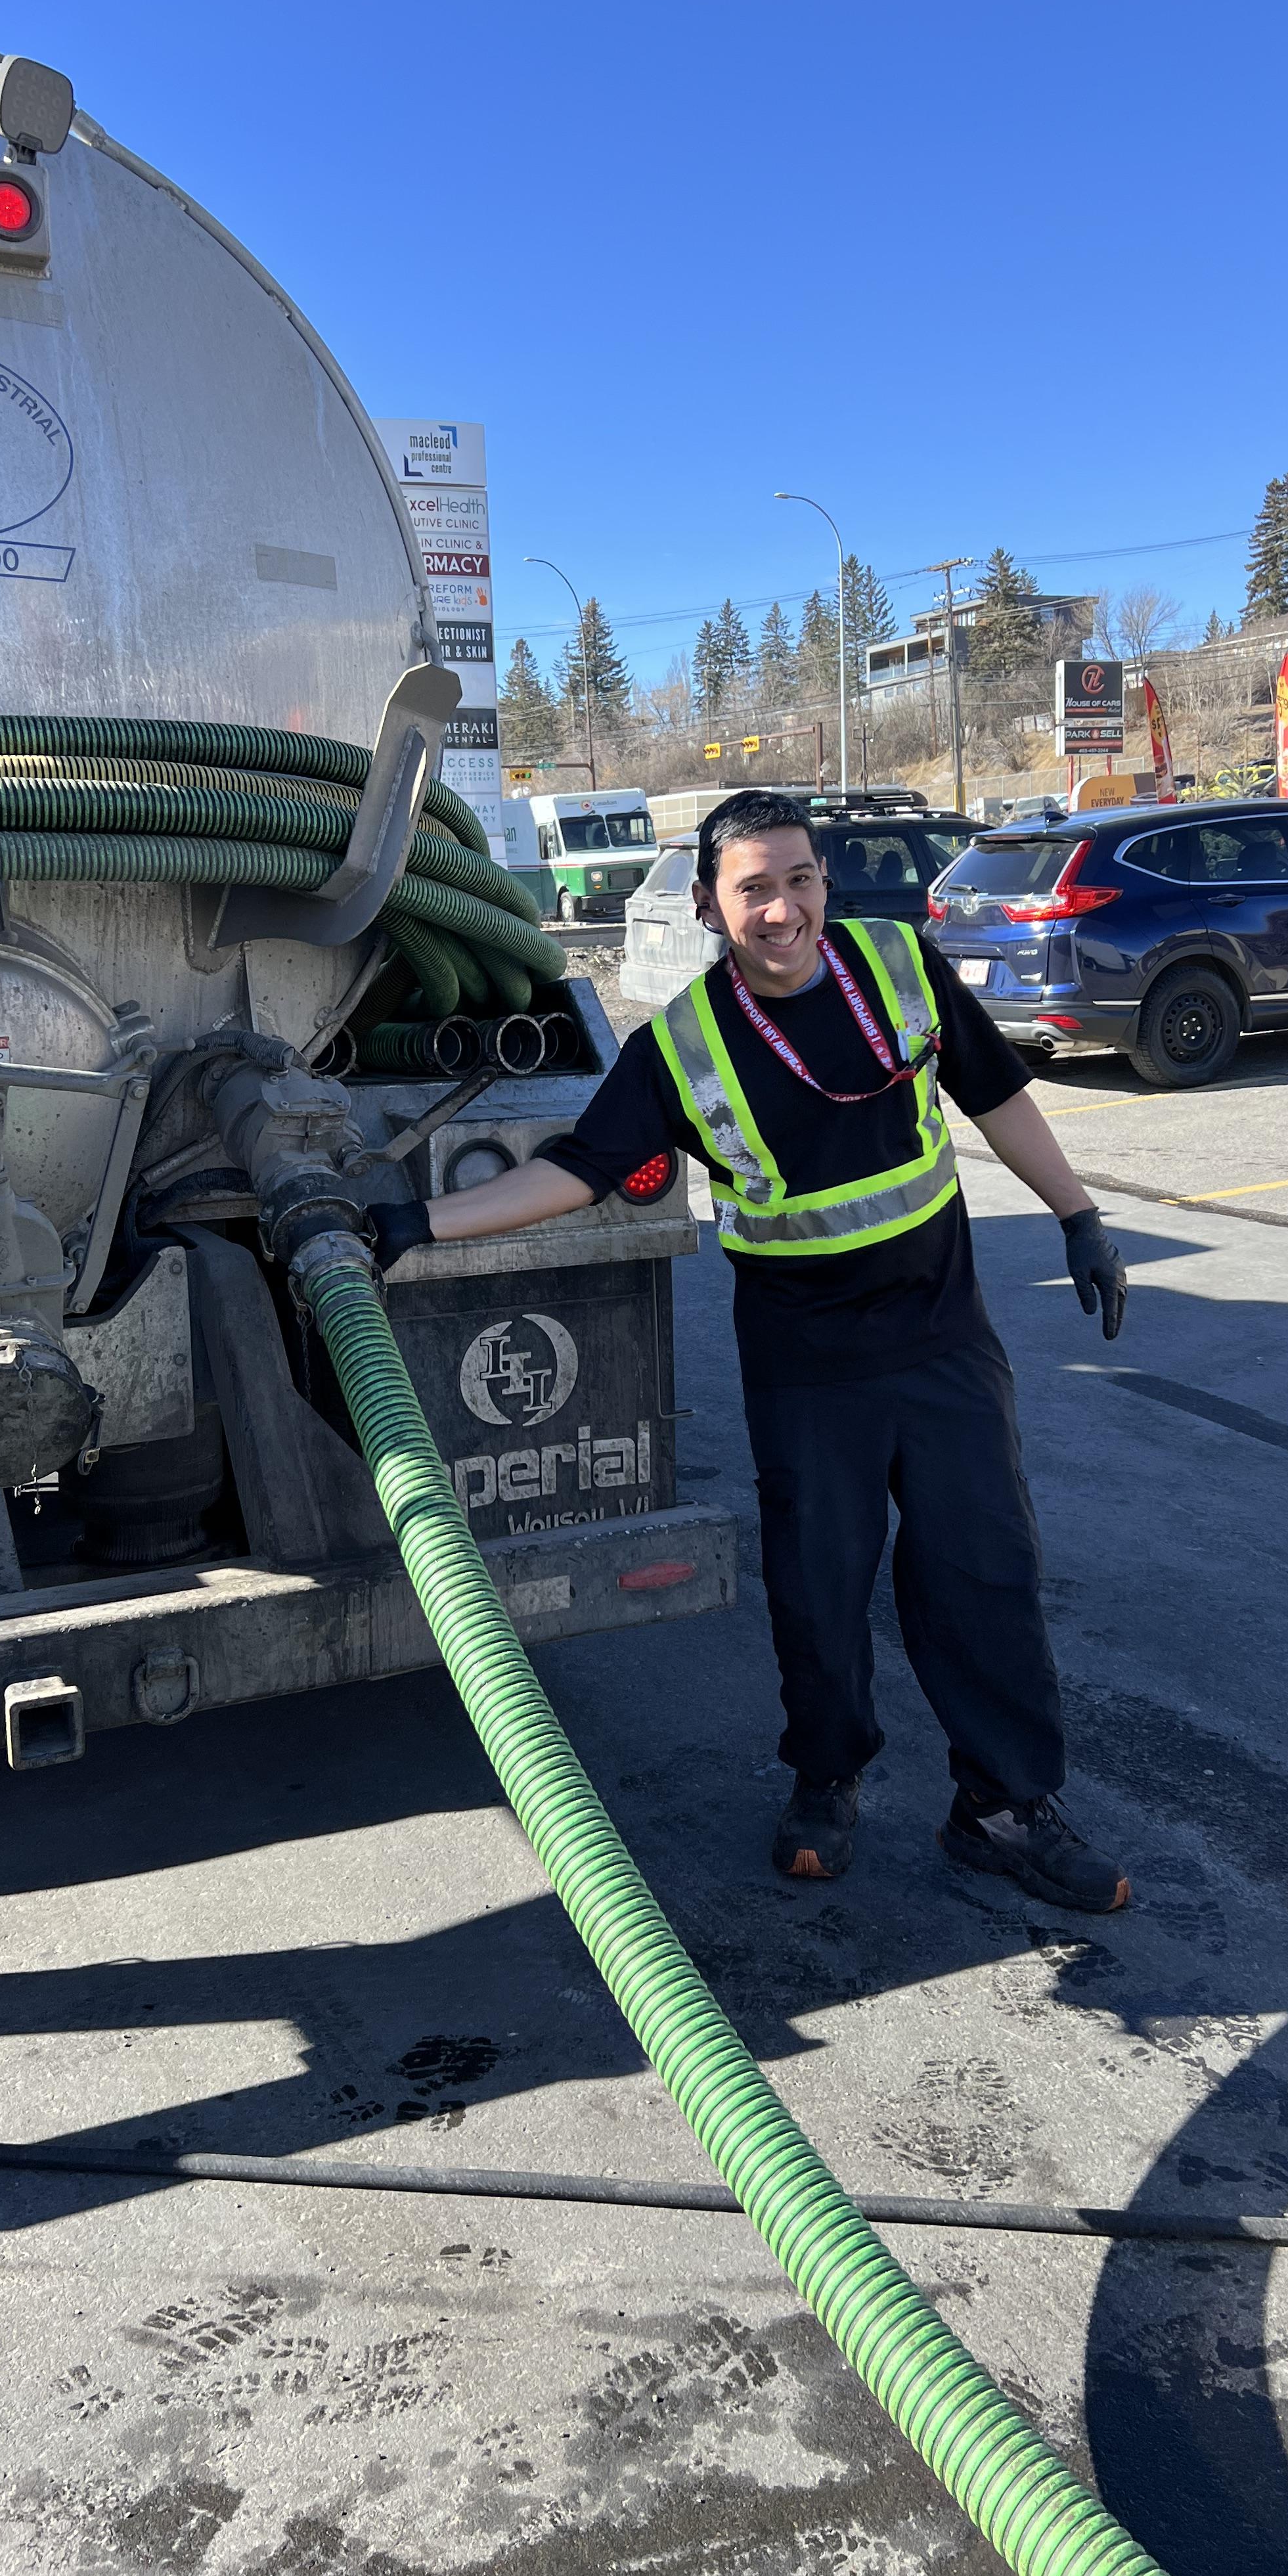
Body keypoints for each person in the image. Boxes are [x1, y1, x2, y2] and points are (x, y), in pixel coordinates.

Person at [367, 791, 1132, 1914]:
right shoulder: (682, 1042)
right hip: (807, 1360)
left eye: (800, 880)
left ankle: (1004, 1808)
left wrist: (1077, 1217)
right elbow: (580, 1168)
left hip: (942, 1338)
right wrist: (421, 1224)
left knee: (985, 1574)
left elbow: (996, 1094)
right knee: (818, 1591)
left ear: (825, 881)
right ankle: (827, 1778)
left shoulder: (900, 965)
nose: (783, 910)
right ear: (710, 907)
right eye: (754, 889)